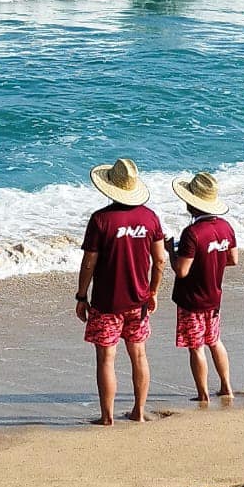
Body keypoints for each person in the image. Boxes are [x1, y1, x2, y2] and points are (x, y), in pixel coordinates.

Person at [76, 156, 166, 426]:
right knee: (138, 354)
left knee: (106, 358)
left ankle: (107, 416)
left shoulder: (101, 220)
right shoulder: (150, 218)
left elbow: (89, 261)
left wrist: (81, 295)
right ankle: (138, 411)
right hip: (138, 300)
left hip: (106, 302)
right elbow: (160, 260)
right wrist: (153, 291)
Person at [170, 170, 239, 403]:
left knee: (196, 346)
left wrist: (171, 253)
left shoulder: (192, 233)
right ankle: (226, 386)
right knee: (214, 340)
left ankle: (203, 393)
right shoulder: (225, 227)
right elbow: (233, 259)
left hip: (192, 299)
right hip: (213, 296)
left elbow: (181, 270)